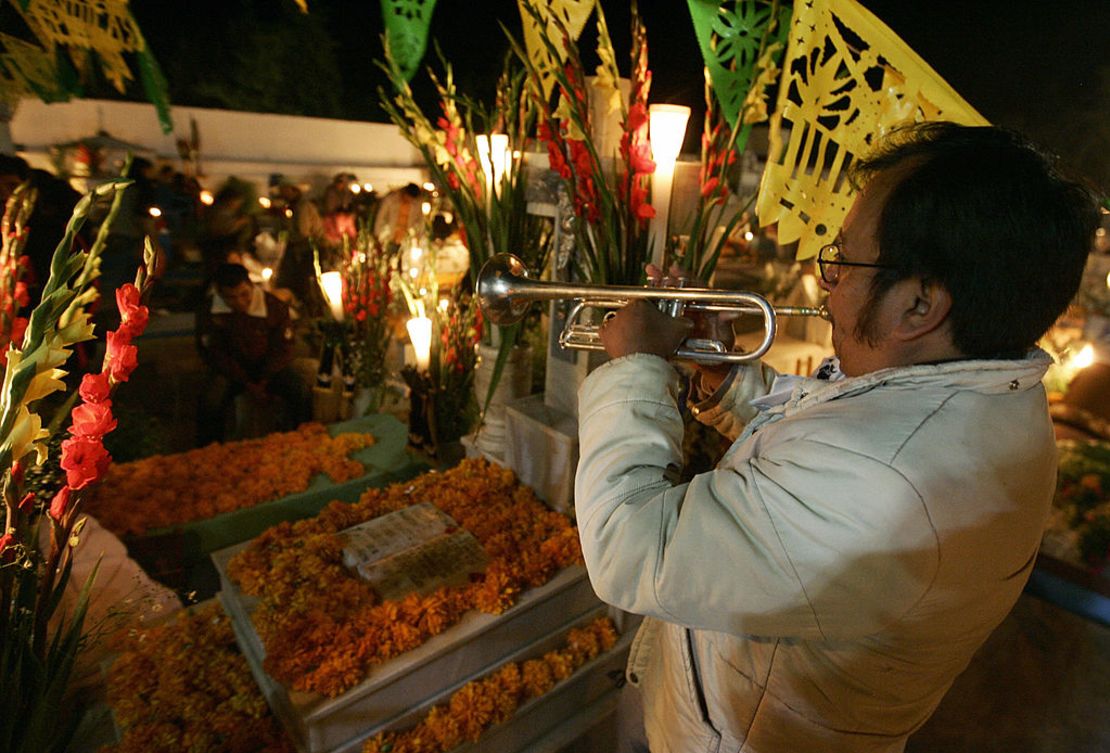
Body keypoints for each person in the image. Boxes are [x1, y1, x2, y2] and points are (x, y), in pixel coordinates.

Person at [576, 123, 1098, 753]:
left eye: (845, 258)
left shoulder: (889, 480)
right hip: (711, 701)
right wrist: (726, 378)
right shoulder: (975, 395)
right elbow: (825, 443)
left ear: (920, 305)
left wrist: (634, 368)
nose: (828, 279)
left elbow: (627, 549)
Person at [196, 263, 310, 445]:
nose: (240, 302)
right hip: (232, 371)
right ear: (219, 293)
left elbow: (283, 348)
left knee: (300, 390)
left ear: (250, 285)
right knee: (211, 400)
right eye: (231, 298)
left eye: (244, 294)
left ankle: (301, 439)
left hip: (269, 368)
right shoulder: (209, 312)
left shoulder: (274, 307)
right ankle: (211, 449)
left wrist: (265, 378)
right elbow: (214, 353)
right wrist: (246, 383)